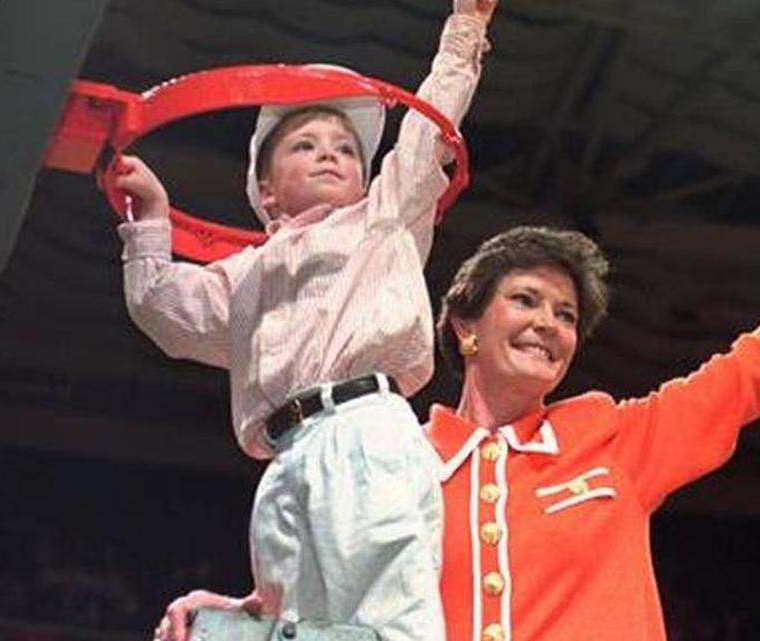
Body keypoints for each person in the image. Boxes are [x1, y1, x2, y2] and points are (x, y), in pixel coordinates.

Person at [154, 98, 760, 641]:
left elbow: (757, 366)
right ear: (463, 326)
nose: (550, 325)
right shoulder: (397, 458)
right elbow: (324, 588)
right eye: (526, 300)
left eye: (566, 316)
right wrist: (246, 611)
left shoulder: (613, 440)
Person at [114, 2, 498, 641]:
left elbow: (427, 132)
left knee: (392, 623)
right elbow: (162, 309)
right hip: (286, 458)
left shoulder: (385, 219)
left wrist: (465, 28)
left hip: (369, 434)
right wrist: (151, 213)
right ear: (265, 190)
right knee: (299, 630)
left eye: (347, 149)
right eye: (305, 145)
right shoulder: (247, 275)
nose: (331, 155)